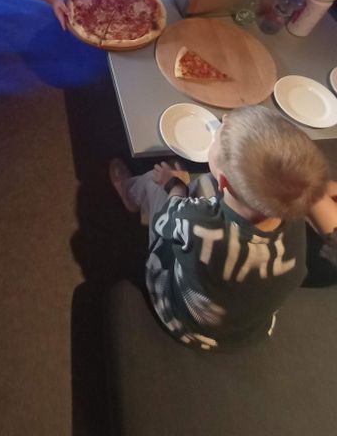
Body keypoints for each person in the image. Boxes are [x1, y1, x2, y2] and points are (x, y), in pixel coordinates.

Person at [109, 106, 328, 350]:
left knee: (157, 185)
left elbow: (167, 219)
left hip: (185, 321)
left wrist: (175, 185)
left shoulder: (199, 221)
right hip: (243, 331)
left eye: (215, 140)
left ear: (223, 180)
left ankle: (130, 192)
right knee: (204, 183)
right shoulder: (295, 225)